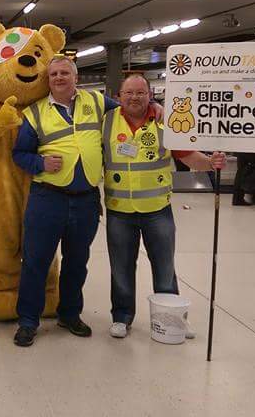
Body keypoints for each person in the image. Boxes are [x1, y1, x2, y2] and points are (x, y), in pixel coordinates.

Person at [103, 74, 225, 338]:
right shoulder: (106, 122)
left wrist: (210, 162)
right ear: (119, 96)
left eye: (140, 92)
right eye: (129, 93)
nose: (134, 97)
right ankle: (122, 316)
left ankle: (172, 318)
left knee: (165, 267)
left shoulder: (164, 122)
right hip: (119, 210)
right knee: (121, 267)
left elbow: (188, 156)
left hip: (157, 209)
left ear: (150, 95)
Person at [10, 57, 117, 347]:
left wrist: (153, 107)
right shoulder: (34, 113)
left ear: (76, 77)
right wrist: (40, 162)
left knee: (77, 262)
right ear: (48, 79)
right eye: (54, 73)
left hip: (86, 200)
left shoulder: (97, 102)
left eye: (64, 73)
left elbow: (129, 111)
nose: (59, 77)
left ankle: (69, 314)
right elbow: (19, 154)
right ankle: (28, 321)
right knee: (35, 262)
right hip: (47, 198)